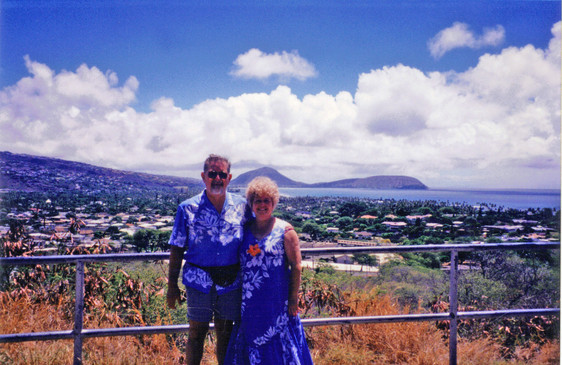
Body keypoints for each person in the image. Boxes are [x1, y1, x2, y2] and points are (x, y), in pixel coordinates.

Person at [167, 154, 251, 365]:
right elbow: (176, 248)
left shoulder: (242, 207)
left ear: (229, 178)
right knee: (196, 335)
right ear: (203, 176)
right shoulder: (187, 208)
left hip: (231, 282)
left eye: (222, 174)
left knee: (225, 336)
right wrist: (172, 286)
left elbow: (254, 239)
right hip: (198, 281)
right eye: (212, 173)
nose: (217, 178)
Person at [225, 176, 313, 364]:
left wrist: (293, 299)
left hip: (277, 301)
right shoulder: (244, 229)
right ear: (251, 203)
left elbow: (296, 267)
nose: (262, 205)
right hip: (249, 301)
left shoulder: (285, 231)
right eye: (258, 201)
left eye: (267, 201)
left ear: (274, 203)